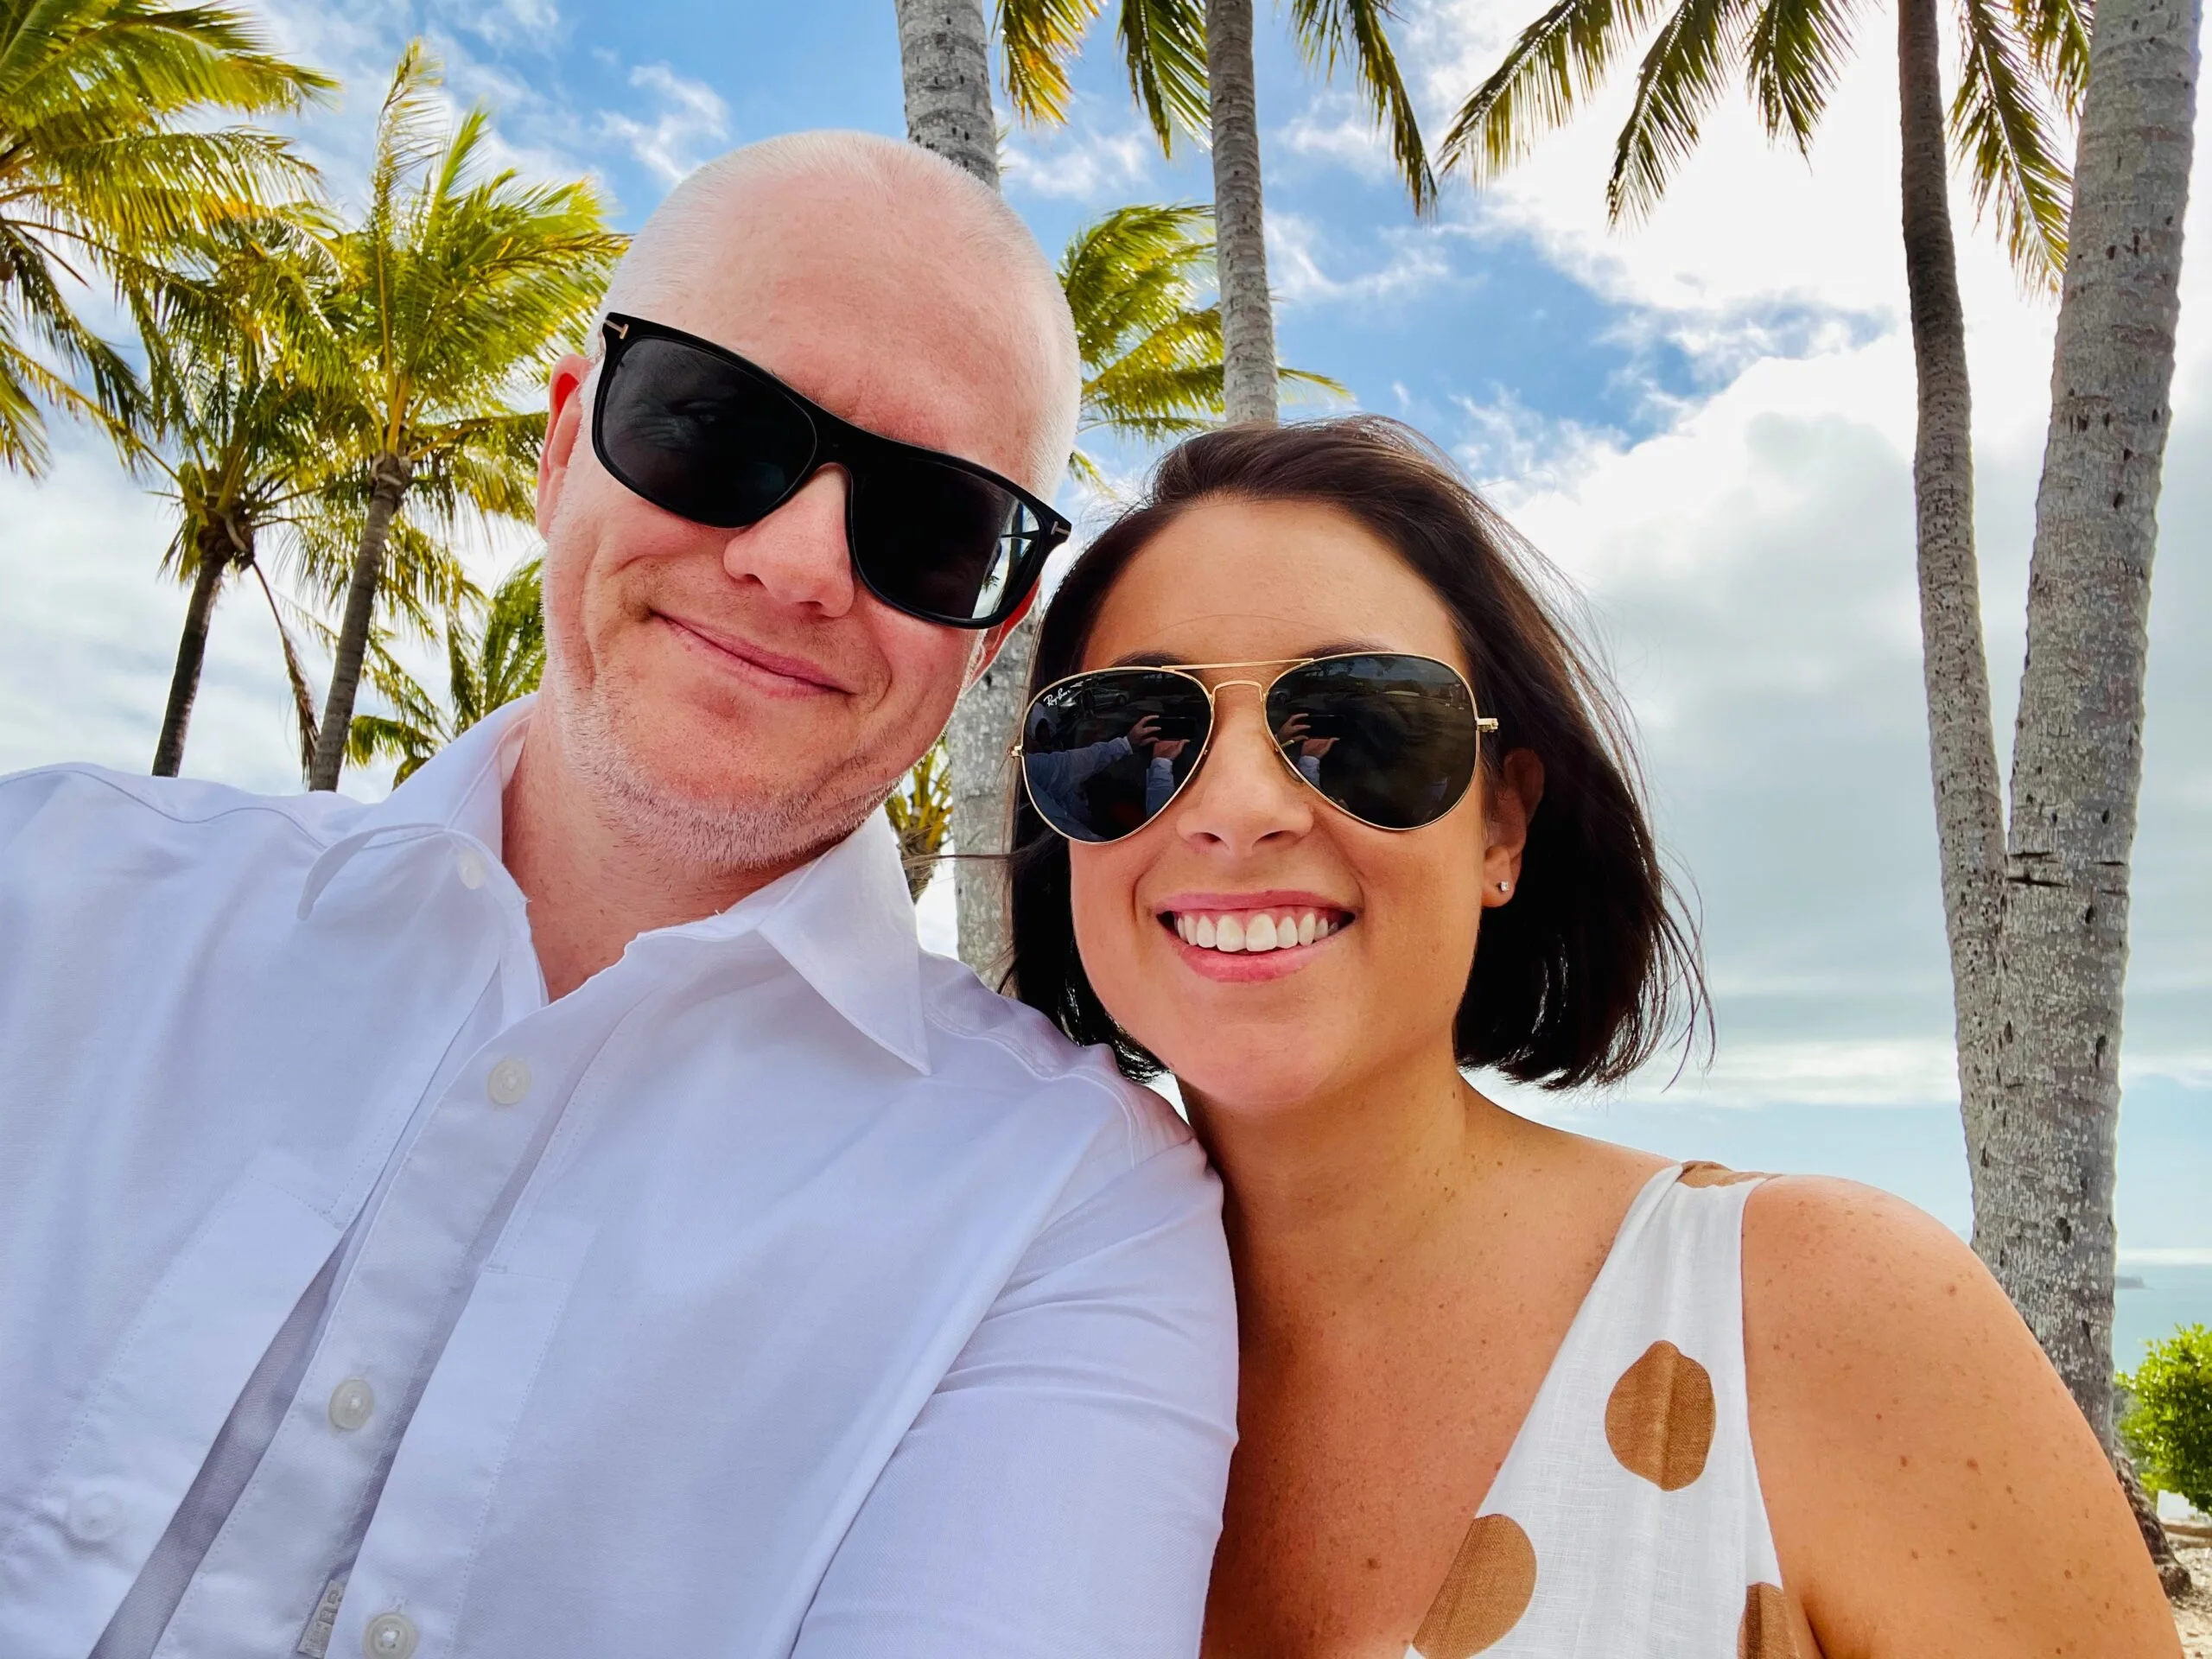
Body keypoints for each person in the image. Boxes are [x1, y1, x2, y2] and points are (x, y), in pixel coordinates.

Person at [0, 132, 1236, 1659]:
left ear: (991, 633)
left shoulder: (1071, 1219)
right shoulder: (45, 895)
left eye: (932, 524)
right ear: (563, 439)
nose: (795, 564)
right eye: (714, 428)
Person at [1007, 416, 2181, 1658]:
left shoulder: (1822, 1317)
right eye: (1134, 735)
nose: (1236, 808)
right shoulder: (990, 1341)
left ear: (1502, 831)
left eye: (1361, 726)